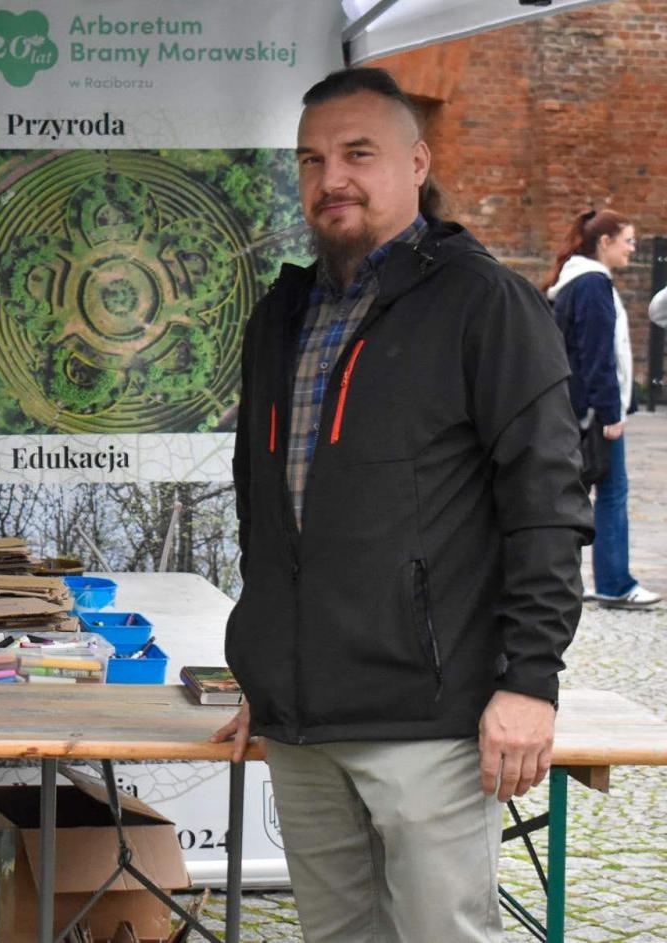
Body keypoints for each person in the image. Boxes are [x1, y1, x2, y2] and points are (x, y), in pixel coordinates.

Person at [213, 67, 591, 942]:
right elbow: (265, 511)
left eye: (357, 153)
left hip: (427, 715)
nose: (330, 178)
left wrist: (530, 682)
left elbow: (547, 503)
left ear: (415, 162)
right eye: (311, 160)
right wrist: (274, 662)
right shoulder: (281, 316)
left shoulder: (483, 303)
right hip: (303, 723)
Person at [545, 209, 661, 609]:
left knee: (573, 494)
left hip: (575, 409)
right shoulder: (593, 284)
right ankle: (613, 583)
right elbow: (598, 356)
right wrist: (611, 413)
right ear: (605, 241)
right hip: (594, 414)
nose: (632, 248)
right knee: (611, 494)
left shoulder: (574, 282)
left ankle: (570, 579)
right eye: (627, 240)